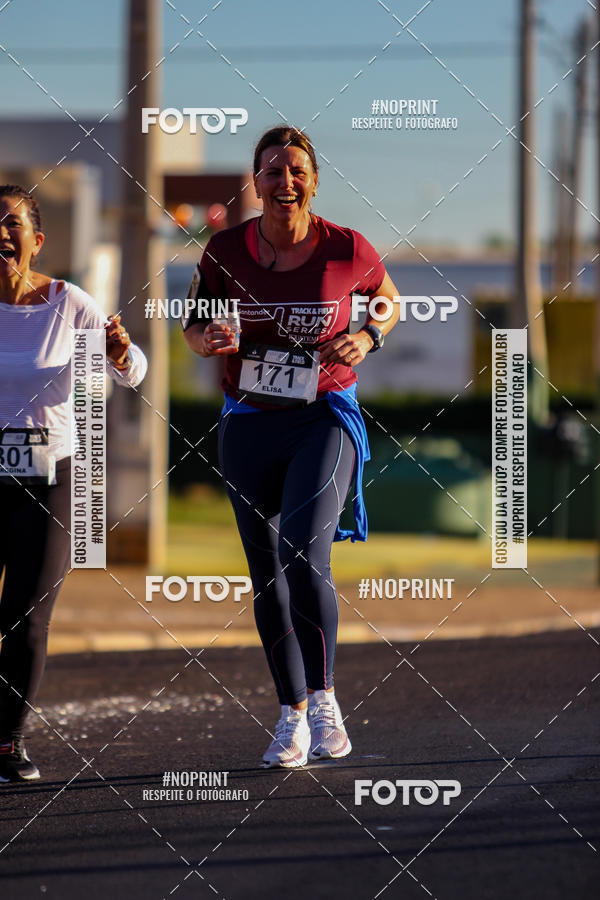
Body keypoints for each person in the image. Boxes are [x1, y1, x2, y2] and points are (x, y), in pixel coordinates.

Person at [183, 127, 400, 768]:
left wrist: (367, 338)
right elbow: (195, 327)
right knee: (266, 573)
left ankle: (325, 695)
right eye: (273, 171)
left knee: (302, 551)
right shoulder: (225, 250)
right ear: (257, 182)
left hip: (323, 417)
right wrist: (206, 340)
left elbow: (387, 302)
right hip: (248, 419)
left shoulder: (346, 247)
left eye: (297, 170)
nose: (286, 182)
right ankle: (292, 714)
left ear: (313, 181)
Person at [0, 184, 147, 782]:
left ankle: (7, 741)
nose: (1, 235)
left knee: (27, 614)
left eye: (13, 225)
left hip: (49, 473)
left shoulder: (70, 304)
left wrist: (118, 352)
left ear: (37, 240)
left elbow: (132, 373)